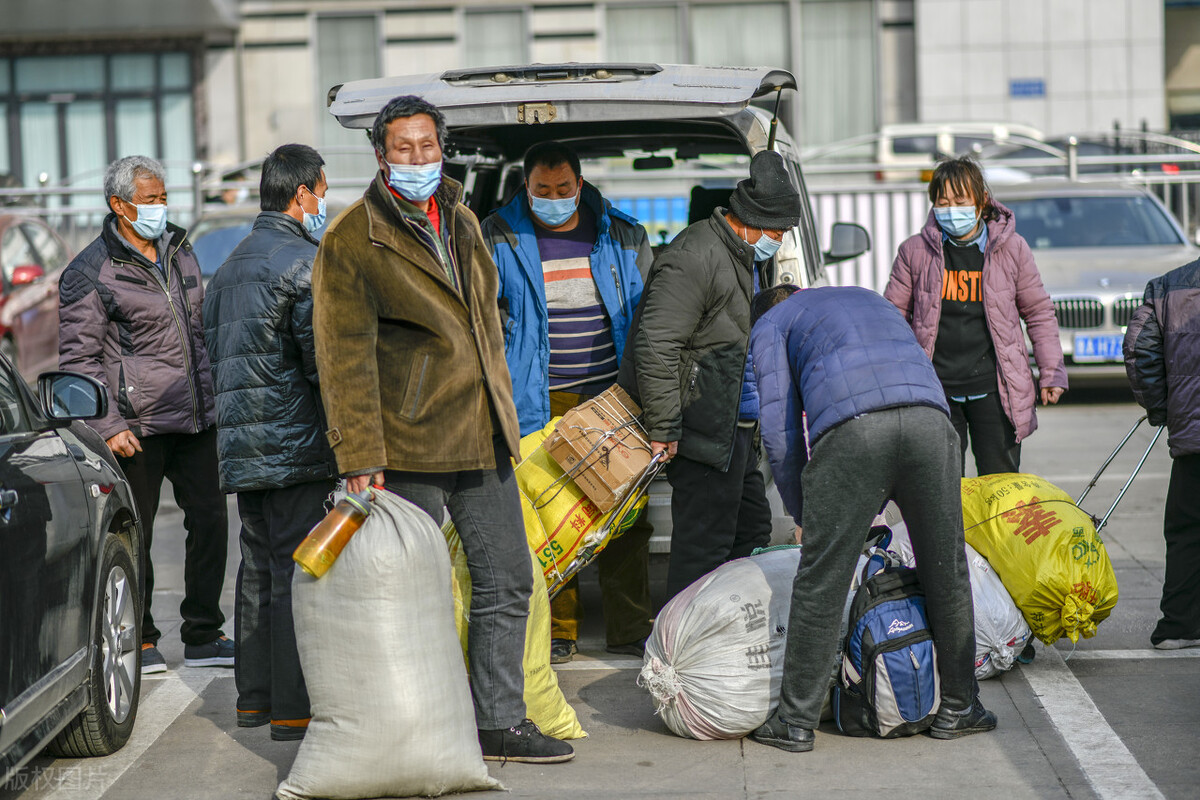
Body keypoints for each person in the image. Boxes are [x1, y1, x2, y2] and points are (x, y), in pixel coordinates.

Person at [311, 95, 573, 764]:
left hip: (482, 435)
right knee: (406, 596)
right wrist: (360, 455)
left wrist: (507, 413)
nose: (419, 158)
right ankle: (411, 725)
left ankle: (498, 720)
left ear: (442, 148)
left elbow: (488, 324)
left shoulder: (462, 219)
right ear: (380, 155)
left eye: (428, 145)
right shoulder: (352, 239)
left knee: (508, 579)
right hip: (409, 443)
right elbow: (343, 357)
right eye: (404, 147)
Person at [747, 284, 996, 753]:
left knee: (822, 578)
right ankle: (961, 706)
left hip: (854, 432)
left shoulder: (770, 324)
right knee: (946, 569)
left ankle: (795, 721)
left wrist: (806, 515)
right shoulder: (868, 298)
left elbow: (780, 435)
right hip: (930, 422)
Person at [481, 141, 653, 663]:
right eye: (542, 191)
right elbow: (482, 315)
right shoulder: (499, 235)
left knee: (624, 513)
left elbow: (647, 312)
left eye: (562, 189)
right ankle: (559, 628)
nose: (553, 198)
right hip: (540, 395)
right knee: (552, 514)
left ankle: (629, 627)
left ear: (579, 184)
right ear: (525, 188)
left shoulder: (622, 234)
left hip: (610, 395)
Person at [59, 155, 231, 675]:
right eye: (150, 200)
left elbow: (200, 331)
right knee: (141, 535)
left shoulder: (180, 249)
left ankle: (203, 634)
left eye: (163, 198)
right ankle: (146, 639)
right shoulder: (90, 272)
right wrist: (109, 426)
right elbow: (79, 362)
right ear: (119, 205)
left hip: (197, 418)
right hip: (139, 429)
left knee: (211, 525)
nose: (161, 208)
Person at [203, 144, 338, 741]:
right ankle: (292, 709)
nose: (325, 204)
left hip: (242, 452)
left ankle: (253, 702)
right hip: (296, 450)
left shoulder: (228, 268)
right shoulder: (304, 263)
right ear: (302, 193)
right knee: (293, 576)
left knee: (256, 569)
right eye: (323, 192)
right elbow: (323, 368)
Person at [619, 150, 787, 599]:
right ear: (750, 219)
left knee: (751, 530)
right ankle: (680, 649)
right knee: (703, 546)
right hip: (701, 428)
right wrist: (665, 425)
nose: (780, 241)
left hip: (737, 429)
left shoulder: (746, 255)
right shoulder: (695, 256)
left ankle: (726, 637)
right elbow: (656, 345)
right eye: (777, 232)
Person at [884, 156, 1067, 476]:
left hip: (996, 389)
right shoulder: (915, 252)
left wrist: (1051, 372)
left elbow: (1038, 312)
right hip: (935, 390)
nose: (952, 210)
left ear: (981, 202)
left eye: (960, 201)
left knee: (1001, 486)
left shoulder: (1012, 249)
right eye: (943, 202)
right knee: (941, 488)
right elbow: (891, 317)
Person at [1124, 259, 1200, 650]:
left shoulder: (1168, 287)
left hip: (1193, 435)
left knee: (1187, 530)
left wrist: (1162, 409)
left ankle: (1179, 625)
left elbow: (1140, 350)